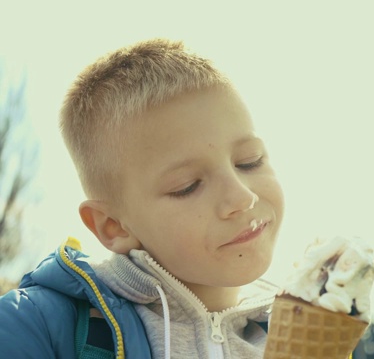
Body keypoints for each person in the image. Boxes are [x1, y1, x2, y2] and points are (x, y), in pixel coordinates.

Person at [0, 38, 285, 358]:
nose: (242, 197)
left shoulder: (330, 336)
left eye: (250, 161)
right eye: (187, 186)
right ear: (113, 226)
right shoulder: (32, 327)